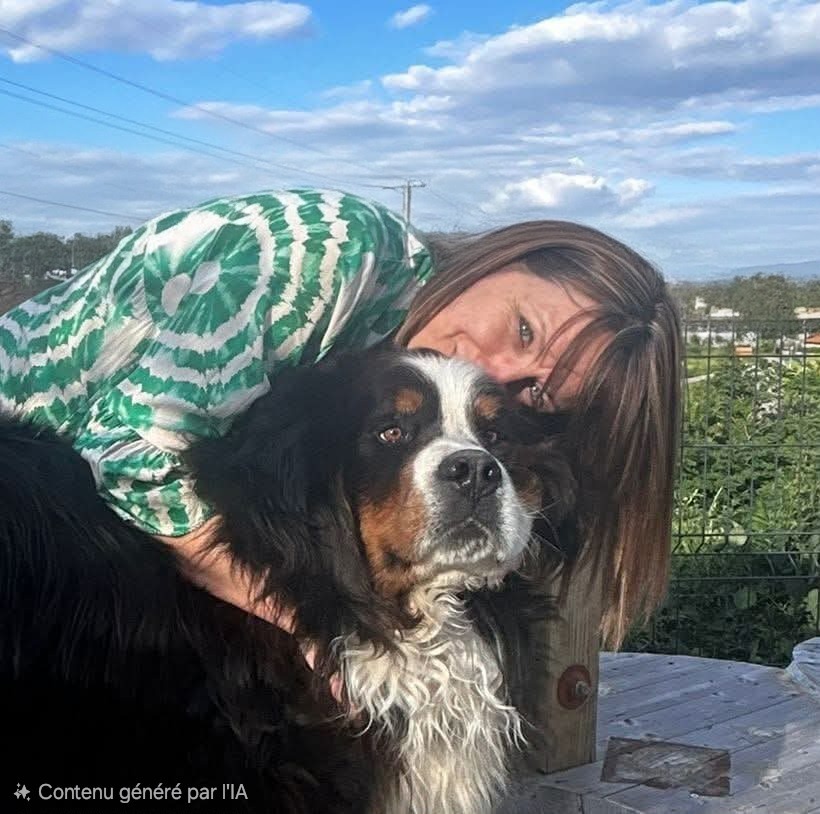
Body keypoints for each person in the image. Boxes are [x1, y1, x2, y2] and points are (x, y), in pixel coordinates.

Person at [0, 188, 681, 648]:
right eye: (524, 329)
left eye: (534, 391)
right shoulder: (338, 254)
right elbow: (134, 458)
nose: (495, 371)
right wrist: (317, 632)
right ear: (501, 260)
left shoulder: (394, 347)